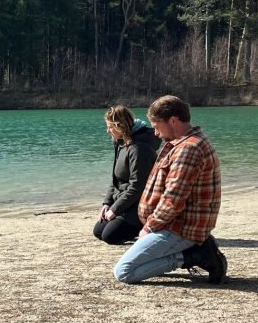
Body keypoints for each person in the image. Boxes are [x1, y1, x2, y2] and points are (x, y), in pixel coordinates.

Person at [113, 96, 227, 284]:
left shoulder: (188, 149)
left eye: (157, 126)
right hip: (171, 225)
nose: (155, 133)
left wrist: (149, 227)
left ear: (173, 120)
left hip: (181, 229)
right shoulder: (182, 143)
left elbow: (173, 200)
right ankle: (195, 249)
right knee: (143, 263)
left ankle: (194, 255)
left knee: (125, 272)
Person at [93, 106, 160, 245]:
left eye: (110, 127)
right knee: (99, 231)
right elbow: (116, 180)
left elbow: (137, 187)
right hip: (124, 203)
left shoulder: (139, 149)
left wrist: (115, 209)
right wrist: (107, 203)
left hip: (139, 206)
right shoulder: (122, 143)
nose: (108, 131)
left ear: (119, 126)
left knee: (109, 236)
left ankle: (144, 226)